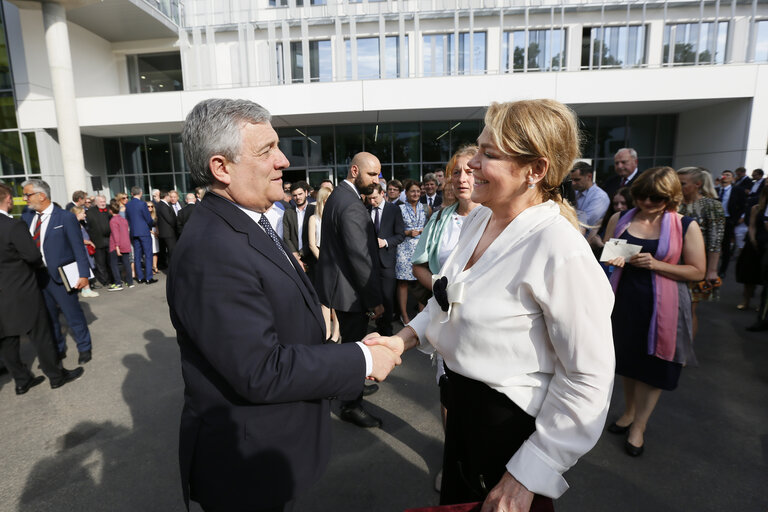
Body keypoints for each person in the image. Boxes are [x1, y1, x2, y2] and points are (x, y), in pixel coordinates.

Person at [365, 99, 616, 511]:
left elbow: (588, 379)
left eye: (489, 154)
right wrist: (402, 340)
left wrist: (529, 472)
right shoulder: (480, 219)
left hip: (510, 434)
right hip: (463, 415)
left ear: (536, 170)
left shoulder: (559, 248)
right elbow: (448, 298)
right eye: (479, 148)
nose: (473, 163)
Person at [169, 99, 399, 512]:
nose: (283, 160)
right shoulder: (213, 248)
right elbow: (261, 369)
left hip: (270, 451)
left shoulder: (246, 219)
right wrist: (360, 360)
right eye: (266, 150)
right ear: (221, 168)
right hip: (247, 471)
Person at [604, 167, 705, 457]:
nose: (647, 202)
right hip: (623, 301)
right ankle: (628, 412)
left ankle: (639, 426)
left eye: (656, 198)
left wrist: (657, 264)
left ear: (670, 196)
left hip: (664, 306)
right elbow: (611, 257)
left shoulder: (685, 225)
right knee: (628, 361)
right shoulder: (620, 218)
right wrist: (615, 259)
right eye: (642, 196)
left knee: (653, 368)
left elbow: (697, 271)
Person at [315, 151, 387, 429]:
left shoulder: (337, 196)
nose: (376, 180)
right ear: (355, 171)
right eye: (372, 174)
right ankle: (350, 404)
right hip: (351, 292)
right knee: (356, 349)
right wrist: (375, 300)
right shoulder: (352, 205)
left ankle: (349, 387)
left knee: (348, 344)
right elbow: (360, 258)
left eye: (378, 174)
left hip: (339, 288)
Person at [0, 183, 84, 394]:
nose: (19, 200)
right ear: (7, 199)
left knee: (7, 339)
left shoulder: (61, 216)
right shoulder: (13, 226)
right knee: (41, 334)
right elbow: (33, 256)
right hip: (23, 289)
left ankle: (21, 381)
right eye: (14, 197)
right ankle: (56, 376)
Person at [22, 179, 95, 365]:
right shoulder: (28, 217)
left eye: (28, 194)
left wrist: (84, 275)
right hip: (37, 277)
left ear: (42, 195)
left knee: (72, 314)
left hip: (62, 277)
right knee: (48, 318)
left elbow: (78, 248)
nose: (24, 199)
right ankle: (58, 348)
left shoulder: (64, 217)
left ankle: (84, 347)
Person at [677, 167, 725, 334]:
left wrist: (711, 270)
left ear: (698, 184)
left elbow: (715, 241)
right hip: (672, 264)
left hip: (696, 265)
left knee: (688, 310)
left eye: (682, 183)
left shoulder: (712, 206)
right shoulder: (673, 204)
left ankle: (684, 353)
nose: (678, 186)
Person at [366, 183, 405, 336]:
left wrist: (385, 242)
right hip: (369, 261)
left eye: (374, 198)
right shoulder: (366, 209)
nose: (372, 202)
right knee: (374, 295)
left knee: (387, 296)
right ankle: (378, 324)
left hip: (387, 260)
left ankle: (387, 328)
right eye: (369, 199)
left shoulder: (394, 210)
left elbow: (400, 235)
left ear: (382, 193)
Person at [307, 187, 340, 343]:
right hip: (322, 262)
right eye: (329, 198)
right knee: (324, 300)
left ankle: (336, 333)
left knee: (338, 299)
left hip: (338, 261)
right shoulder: (314, 219)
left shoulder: (336, 217)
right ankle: (326, 332)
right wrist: (326, 261)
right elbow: (312, 244)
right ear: (323, 199)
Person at [396, 180, 429, 324]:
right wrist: (408, 232)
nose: (415, 194)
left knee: (422, 281)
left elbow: (430, 228)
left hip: (421, 248)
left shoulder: (426, 208)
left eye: (418, 191)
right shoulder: (400, 208)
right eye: (412, 191)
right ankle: (404, 315)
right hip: (404, 248)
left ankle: (422, 314)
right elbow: (395, 230)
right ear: (406, 193)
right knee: (403, 283)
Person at [740, 186, 768, 329]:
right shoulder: (756, 208)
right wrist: (753, 240)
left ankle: (762, 310)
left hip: (765, 245)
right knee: (749, 274)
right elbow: (751, 226)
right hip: (756, 243)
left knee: (763, 278)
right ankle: (747, 301)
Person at [717, 169, 747, 277]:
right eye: (723, 174)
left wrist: (741, 217)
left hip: (729, 220)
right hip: (715, 220)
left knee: (725, 246)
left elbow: (744, 205)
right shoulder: (716, 190)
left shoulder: (737, 190)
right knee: (714, 244)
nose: (724, 176)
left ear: (732, 179)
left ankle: (723, 270)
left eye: (727, 175)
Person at [282, 181, 316, 275]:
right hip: (294, 258)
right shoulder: (288, 213)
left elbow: (316, 235)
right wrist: (295, 254)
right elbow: (286, 236)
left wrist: (300, 254)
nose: (298, 197)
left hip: (312, 256)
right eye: (295, 195)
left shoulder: (314, 211)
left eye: (300, 194)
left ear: (306, 193)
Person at [125, 187, 156, 284]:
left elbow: (128, 218)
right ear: (141, 193)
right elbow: (148, 218)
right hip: (143, 231)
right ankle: (148, 277)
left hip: (134, 231)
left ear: (131, 193)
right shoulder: (142, 204)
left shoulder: (128, 204)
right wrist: (151, 225)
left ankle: (140, 277)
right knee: (148, 254)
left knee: (137, 255)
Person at [570, 161, 610, 237]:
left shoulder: (600, 197)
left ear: (589, 177)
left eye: (577, 180)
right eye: (572, 179)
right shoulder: (574, 192)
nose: (573, 183)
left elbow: (585, 222)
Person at [71, 206, 100, 298]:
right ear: (77, 214)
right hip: (82, 249)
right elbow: (77, 238)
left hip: (84, 249)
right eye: (83, 213)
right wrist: (89, 242)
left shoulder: (78, 223)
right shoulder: (74, 224)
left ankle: (86, 288)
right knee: (85, 267)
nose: (85, 214)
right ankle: (86, 289)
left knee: (87, 267)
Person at [85, 195, 112, 288]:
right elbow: (87, 227)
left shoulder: (109, 209)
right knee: (101, 263)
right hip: (97, 241)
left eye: (104, 201)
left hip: (109, 240)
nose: (103, 203)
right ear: (96, 202)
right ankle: (105, 280)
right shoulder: (90, 212)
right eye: (101, 201)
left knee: (111, 261)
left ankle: (112, 279)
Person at [108, 199, 134, 290]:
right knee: (126, 263)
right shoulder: (124, 220)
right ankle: (130, 282)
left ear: (110, 210)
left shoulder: (113, 221)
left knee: (114, 264)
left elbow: (115, 234)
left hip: (116, 245)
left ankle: (118, 283)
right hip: (126, 243)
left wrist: (117, 246)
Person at [156, 189, 178, 269]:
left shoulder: (160, 204)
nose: (170, 198)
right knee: (172, 251)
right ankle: (173, 267)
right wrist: (177, 224)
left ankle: (165, 265)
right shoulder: (163, 205)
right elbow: (169, 219)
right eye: (169, 196)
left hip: (164, 232)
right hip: (168, 233)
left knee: (165, 251)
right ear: (166, 196)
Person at [147, 201, 160, 275]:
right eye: (148, 206)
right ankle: (150, 267)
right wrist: (153, 232)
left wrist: (157, 232)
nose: (150, 208)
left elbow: (156, 224)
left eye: (152, 206)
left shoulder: (154, 215)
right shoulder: (145, 215)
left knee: (155, 251)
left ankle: (155, 266)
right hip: (149, 233)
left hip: (155, 234)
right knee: (150, 252)